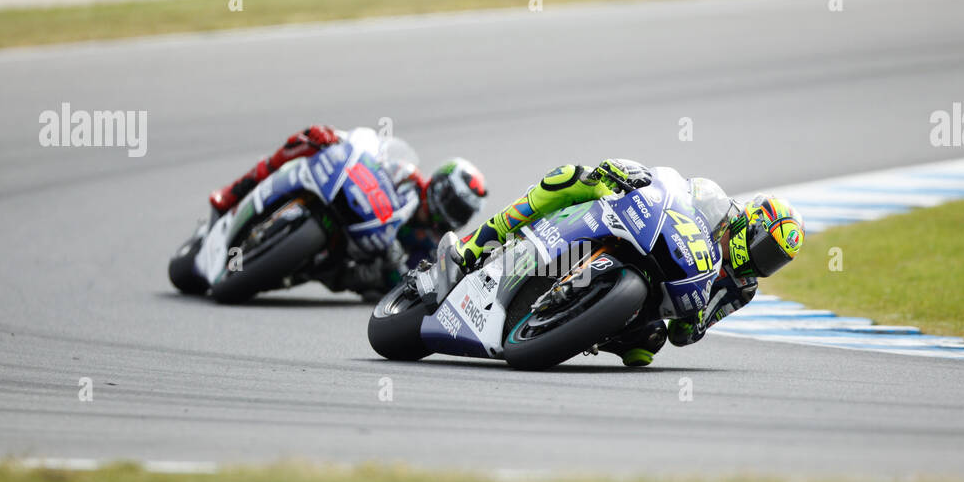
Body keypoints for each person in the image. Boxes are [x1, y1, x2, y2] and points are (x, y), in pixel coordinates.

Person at [452, 158, 803, 366]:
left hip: (655, 293)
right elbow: (670, 186)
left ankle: (576, 325)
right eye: (766, 249)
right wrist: (628, 174)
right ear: (750, 227)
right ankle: (480, 239)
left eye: (776, 261)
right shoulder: (716, 202)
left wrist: (694, 317)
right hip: (643, 233)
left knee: (646, 348)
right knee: (573, 176)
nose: (764, 262)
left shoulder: (742, 290)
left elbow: (687, 335)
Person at [209, 124, 487, 299]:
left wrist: (397, 266)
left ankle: (281, 271)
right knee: (308, 139)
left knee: (369, 281)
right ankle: (232, 193)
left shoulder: (431, 243)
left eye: (462, 212)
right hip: (350, 202)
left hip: (355, 261)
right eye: (454, 204)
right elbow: (376, 155)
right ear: (441, 186)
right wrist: (343, 141)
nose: (454, 214)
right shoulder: (409, 177)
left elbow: (411, 280)